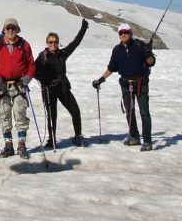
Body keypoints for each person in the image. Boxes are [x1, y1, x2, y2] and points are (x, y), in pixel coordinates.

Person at [92, 23, 157, 151]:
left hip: (140, 84)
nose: (123, 35)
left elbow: (151, 62)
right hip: (126, 84)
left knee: (144, 113)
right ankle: (134, 137)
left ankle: (147, 141)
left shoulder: (139, 45)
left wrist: (149, 54)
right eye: (121, 33)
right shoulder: (117, 50)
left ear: (131, 33)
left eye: (126, 32)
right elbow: (112, 67)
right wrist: (101, 79)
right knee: (129, 112)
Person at [35, 18, 89, 148]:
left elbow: (75, 43)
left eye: (55, 42)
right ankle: (51, 139)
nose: (53, 44)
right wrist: (43, 79)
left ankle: (78, 136)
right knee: (52, 116)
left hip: (63, 88)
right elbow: (34, 71)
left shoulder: (62, 54)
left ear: (58, 43)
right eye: (51, 42)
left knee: (75, 111)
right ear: (47, 43)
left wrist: (83, 28)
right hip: (49, 90)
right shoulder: (42, 57)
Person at [0, 18, 36, 158]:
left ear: (17, 29)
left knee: (20, 113)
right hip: (2, 86)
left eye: (13, 28)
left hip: (19, 84)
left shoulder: (24, 45)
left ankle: (21, 145)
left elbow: (31, 65)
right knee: (4, 114)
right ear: (4, 30)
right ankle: (9, 146)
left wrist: (27, 78)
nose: (10, 30)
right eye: (8, 28)